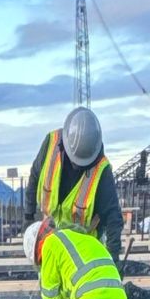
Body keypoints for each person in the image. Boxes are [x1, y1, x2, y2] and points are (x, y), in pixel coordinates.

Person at [23, 106, 124, 256]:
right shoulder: (51, 144)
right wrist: (28, 216)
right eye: (74, 162)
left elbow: (113, 218)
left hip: (84, 248)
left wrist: (113, 258)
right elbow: (34, 178)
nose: (77, 167)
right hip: (51, 239)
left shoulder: (101, 171)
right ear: (64, 146)